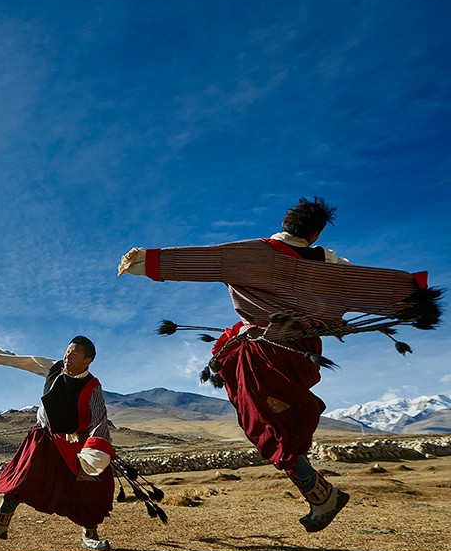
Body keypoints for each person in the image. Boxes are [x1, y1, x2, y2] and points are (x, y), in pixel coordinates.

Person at [119, 197, 438, 532]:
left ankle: (322, 495)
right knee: (280, 423)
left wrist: (145, 262)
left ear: (286, 223)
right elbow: (361, 282)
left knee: (265, 425)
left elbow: (207, 259)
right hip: (304, 352)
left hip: (267, 353)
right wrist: (414, 297)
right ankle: (319, 493)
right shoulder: (328, 262)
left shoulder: (253, 254)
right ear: (314, 233)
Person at [0, 336, 117, 550]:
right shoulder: (55, 368)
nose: (68, 356)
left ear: (87, 361)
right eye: (68, 351)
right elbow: (30, 362)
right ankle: (0, 524)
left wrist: (94, 452)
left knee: (90, 487)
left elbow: (99, 418)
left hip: (76, 443)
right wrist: (0, 357)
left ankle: (90, 535)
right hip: (45, 437)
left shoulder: (92, 387)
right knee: (23, 476)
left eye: (75, 354)